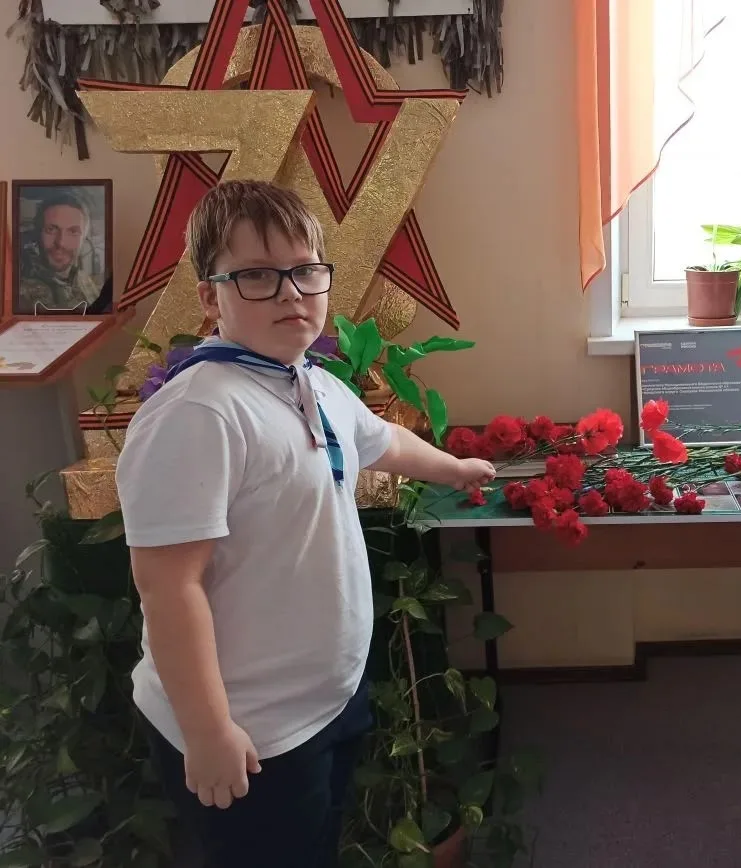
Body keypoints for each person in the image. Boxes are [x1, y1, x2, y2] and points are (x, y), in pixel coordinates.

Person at [114, 180, 495, 868]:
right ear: (210, 297)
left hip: (323, 701)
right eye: (258, 276)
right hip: (249, 728)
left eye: (305, 271)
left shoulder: (309, 379)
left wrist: (456, 468)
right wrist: (208, 732)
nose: (291, 293)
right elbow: (169, 587)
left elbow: (380, 440)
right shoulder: (199, 412)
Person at [16, 192, 104, 313]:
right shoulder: (17, 290)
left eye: (73, 232)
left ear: (83, 239)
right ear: (38, 233)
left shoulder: (84, 280)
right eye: (51, 229)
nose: (61, 243)